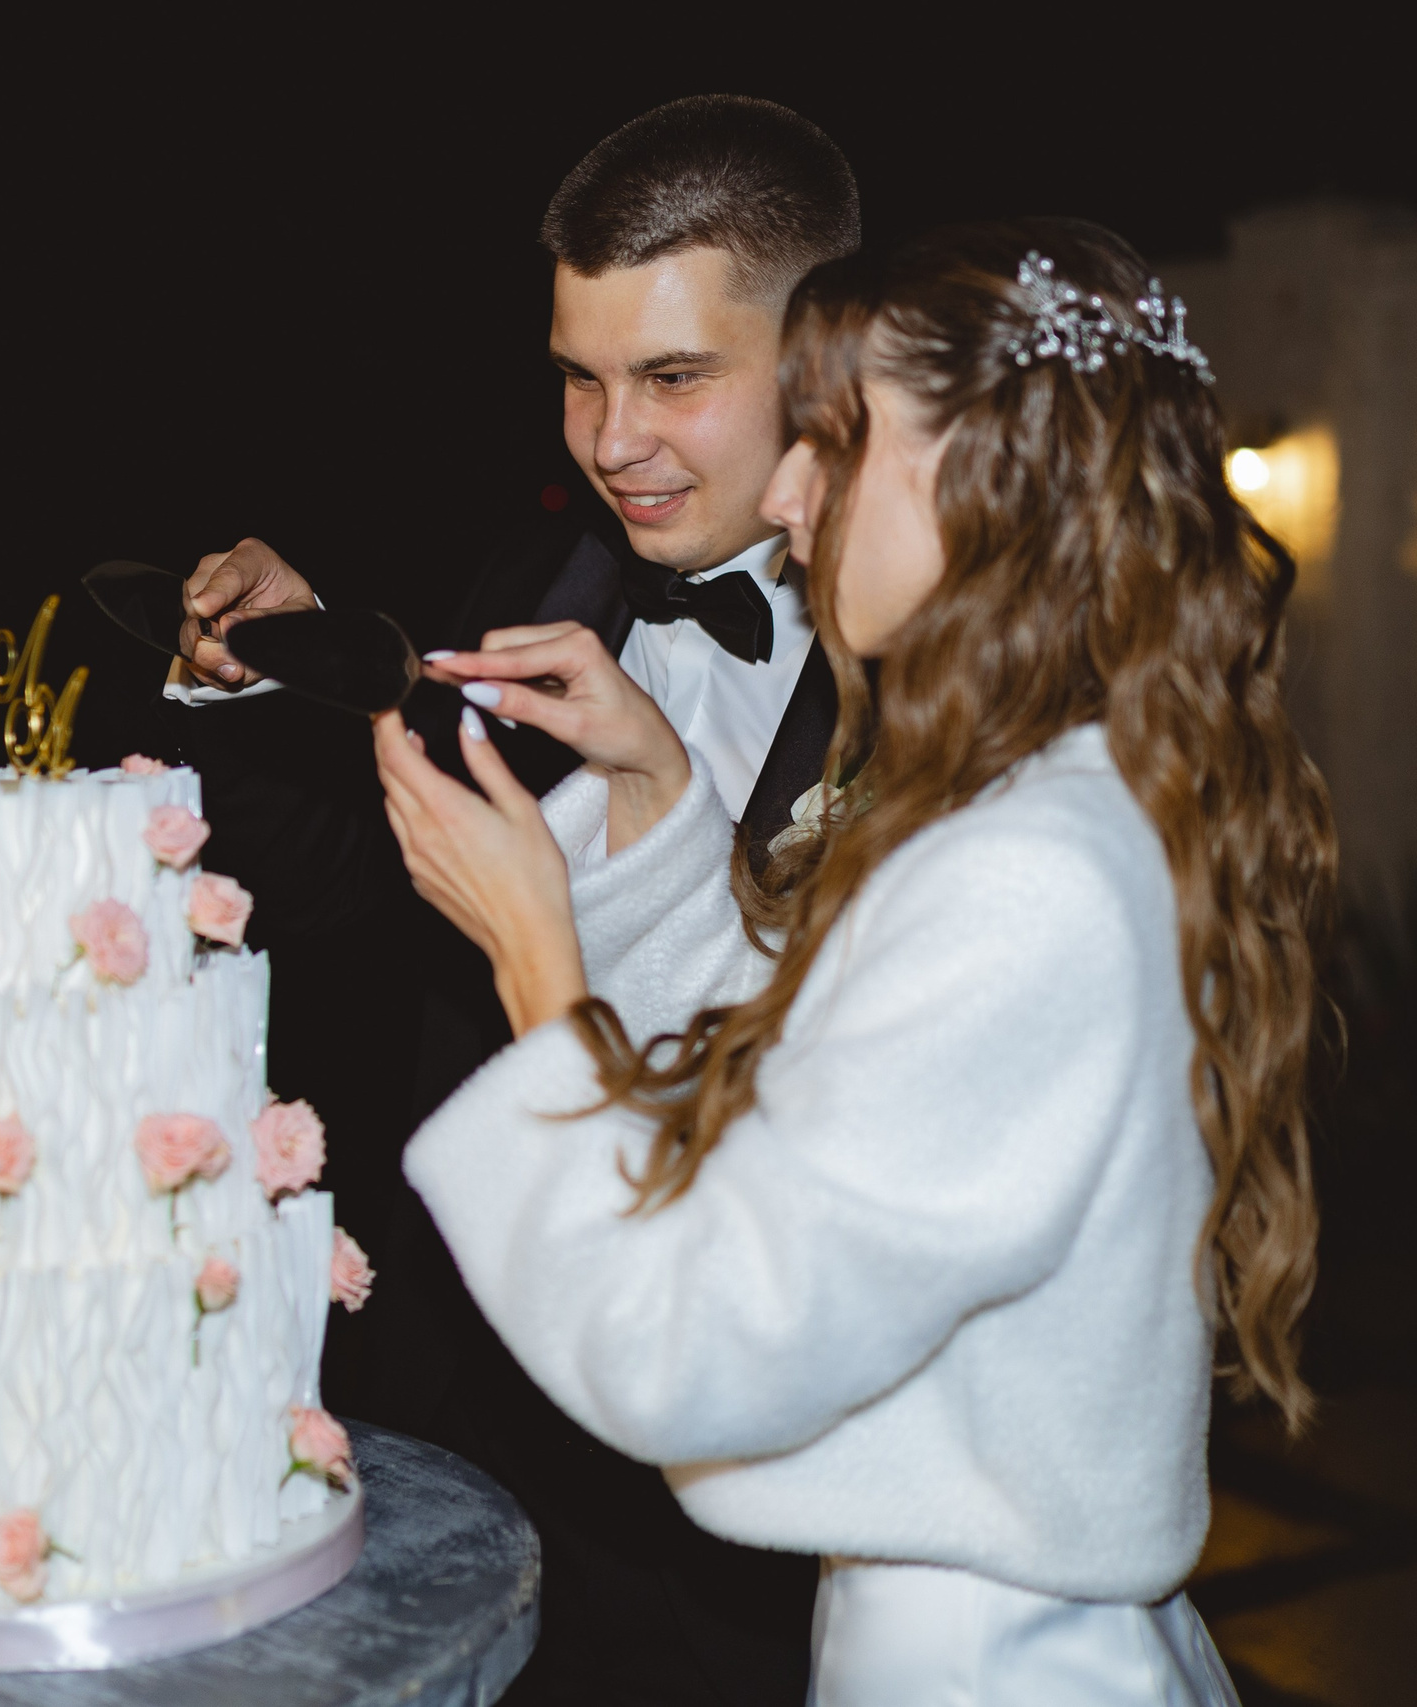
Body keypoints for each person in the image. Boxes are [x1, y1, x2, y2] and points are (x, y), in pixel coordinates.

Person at [376, 220, 1331, 1702]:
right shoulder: (1056, 795)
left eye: (833, 437)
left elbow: (702, 1346)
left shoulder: (1032, 872)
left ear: (987, 471)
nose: (793, 490)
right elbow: (810, 1102)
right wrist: (650, 787)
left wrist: (536, 965)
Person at [161, 96, 858, 1701]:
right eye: (579, 375)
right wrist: (271, 672)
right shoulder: (539, 582)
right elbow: (348, 882)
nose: (612, 439)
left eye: (675, 376)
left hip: (742, 1492)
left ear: (822, 363)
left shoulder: (941, 674)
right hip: (463, 1403)